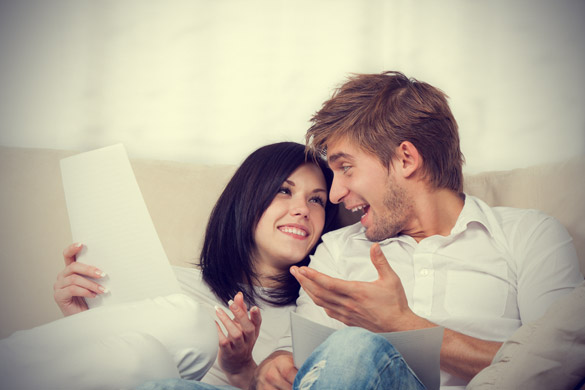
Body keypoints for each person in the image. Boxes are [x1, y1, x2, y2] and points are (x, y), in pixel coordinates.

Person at [250, 71, 584, 390]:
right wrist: (276, 365)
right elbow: (308, 363)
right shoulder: (336, 249)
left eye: (346, 168)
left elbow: (559, 365)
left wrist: (399, 324)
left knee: (354, 346)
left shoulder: (528, 235)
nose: (335, 194)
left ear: (406, 159)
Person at [0, 142, 338, 390]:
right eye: (284, 190)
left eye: (316, 199)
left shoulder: (313, 318)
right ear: (247, 200)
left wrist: (245, 371)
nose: (302, 209)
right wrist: (87, 321)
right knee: (149, 348)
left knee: (166, 344)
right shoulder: (168, 284)